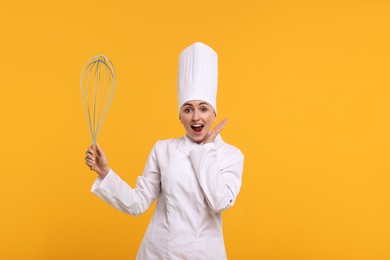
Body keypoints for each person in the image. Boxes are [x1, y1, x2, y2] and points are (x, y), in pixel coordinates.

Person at [84, 42, 244, 259]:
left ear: (214, 114)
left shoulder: (231, 155)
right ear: (180, 116)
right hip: (158, 253)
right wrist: (105, 172)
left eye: (203, 109)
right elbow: (137, 203)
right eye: (188, 109)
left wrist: (206, 149)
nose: (196, 117)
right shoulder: (163, 149)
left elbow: (219, 202)